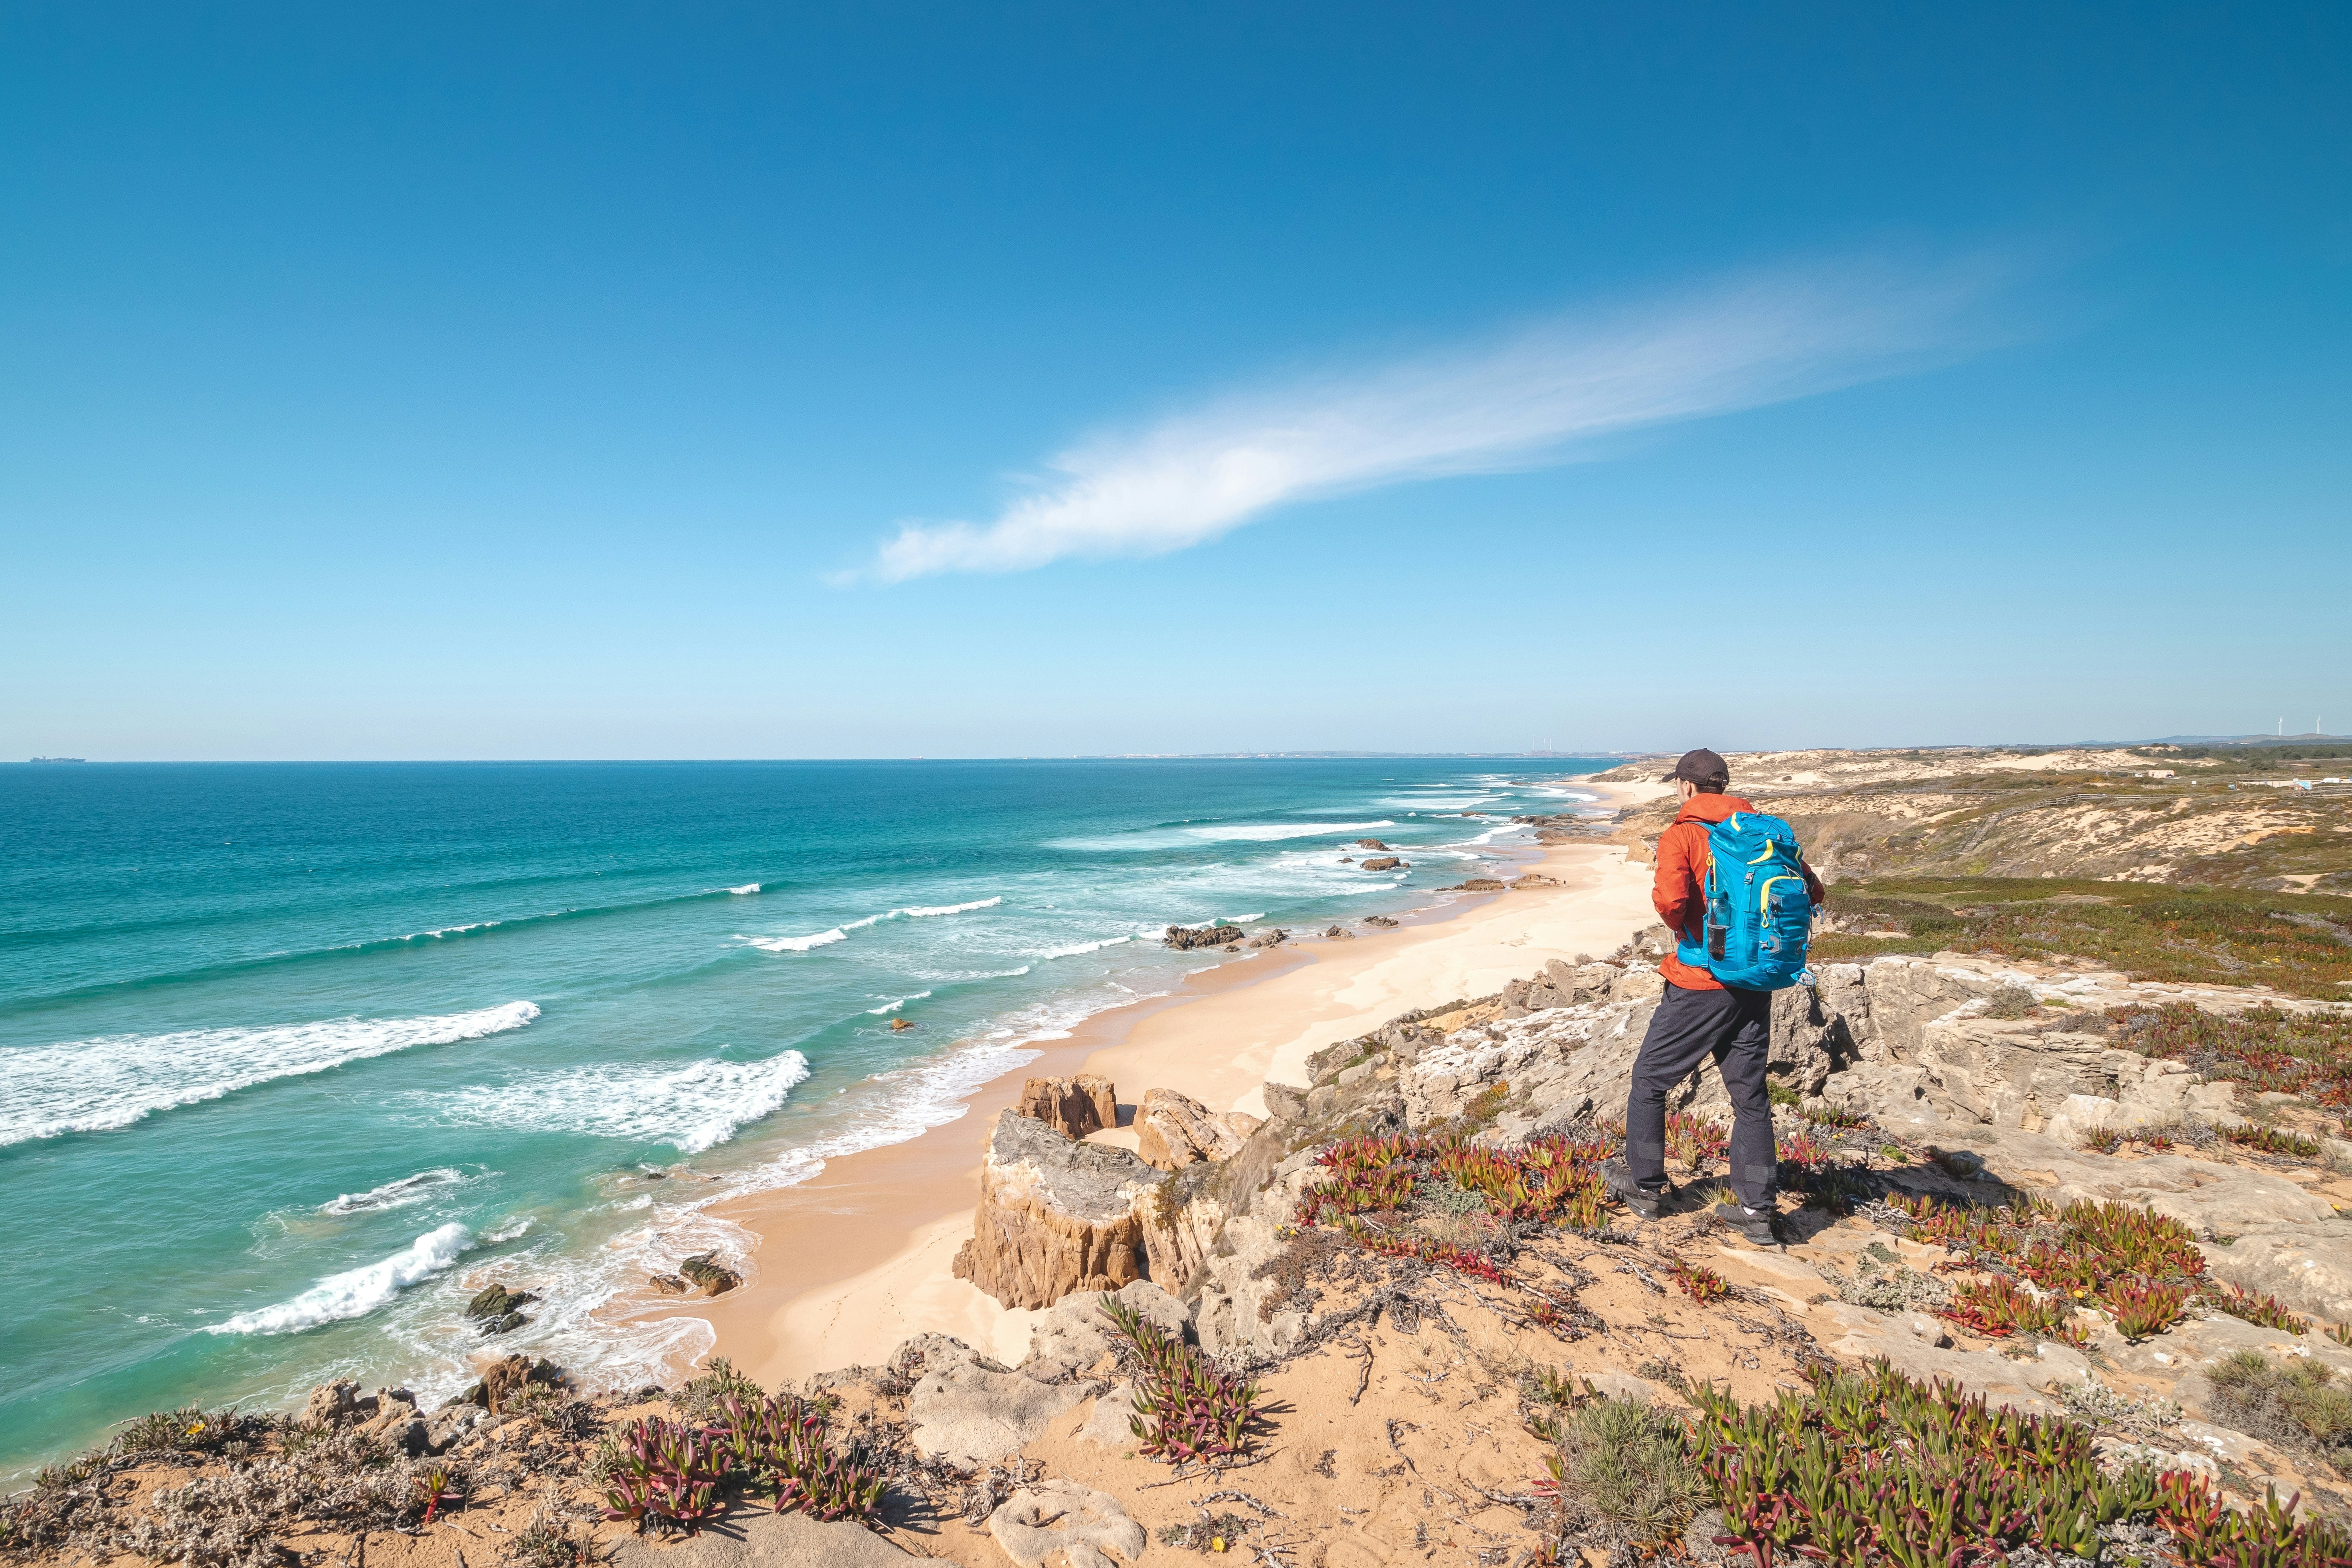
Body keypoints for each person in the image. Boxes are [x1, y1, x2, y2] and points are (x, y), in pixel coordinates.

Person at [1603, 748, 1824, 1244]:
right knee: (1749, 1097)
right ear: (1722, 787)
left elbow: (1671, 900)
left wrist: (1692, 936)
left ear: (1685, 786)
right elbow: (1814, 893)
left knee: (1649, 1081)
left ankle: (1644, 1187)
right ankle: (1757, 1211)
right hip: (1756, 978)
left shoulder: (1683, 833)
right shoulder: (1765, 832)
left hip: (1700, 982)